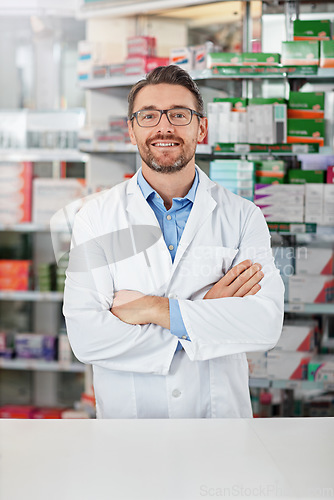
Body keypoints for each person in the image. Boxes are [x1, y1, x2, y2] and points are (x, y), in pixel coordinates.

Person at [63, 65, 284, 419]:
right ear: (131, 131)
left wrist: (154, 309)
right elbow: (86, 337)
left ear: (202, 127)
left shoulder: (244, 216)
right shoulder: (96, 218)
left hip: (218, 427)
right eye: (148, 115)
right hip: (132, 430)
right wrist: (206, 312)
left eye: (179, 114)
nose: (164, 127)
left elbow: (264, 324)